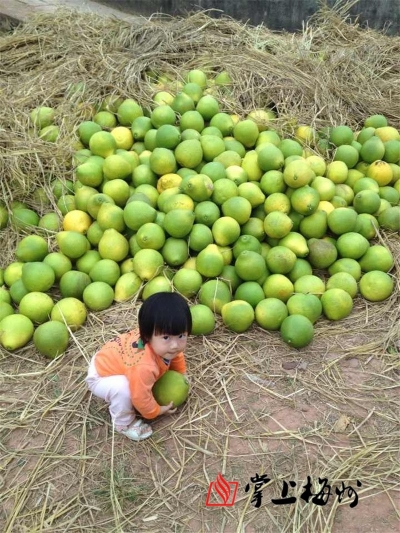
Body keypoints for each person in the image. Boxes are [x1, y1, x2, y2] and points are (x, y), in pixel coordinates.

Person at [85, 292, 192, 441]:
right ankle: (123, 424)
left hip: (111, 359)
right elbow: (140, 396)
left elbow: (177, 355)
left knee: (141, 376)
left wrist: (181, 373)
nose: (175, 345)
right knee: (124, 389)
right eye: (166, 337)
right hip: (101, 376)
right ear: (147, 336)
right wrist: (156, 410)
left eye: (181, 336)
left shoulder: (163, 346)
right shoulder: (145, 366)